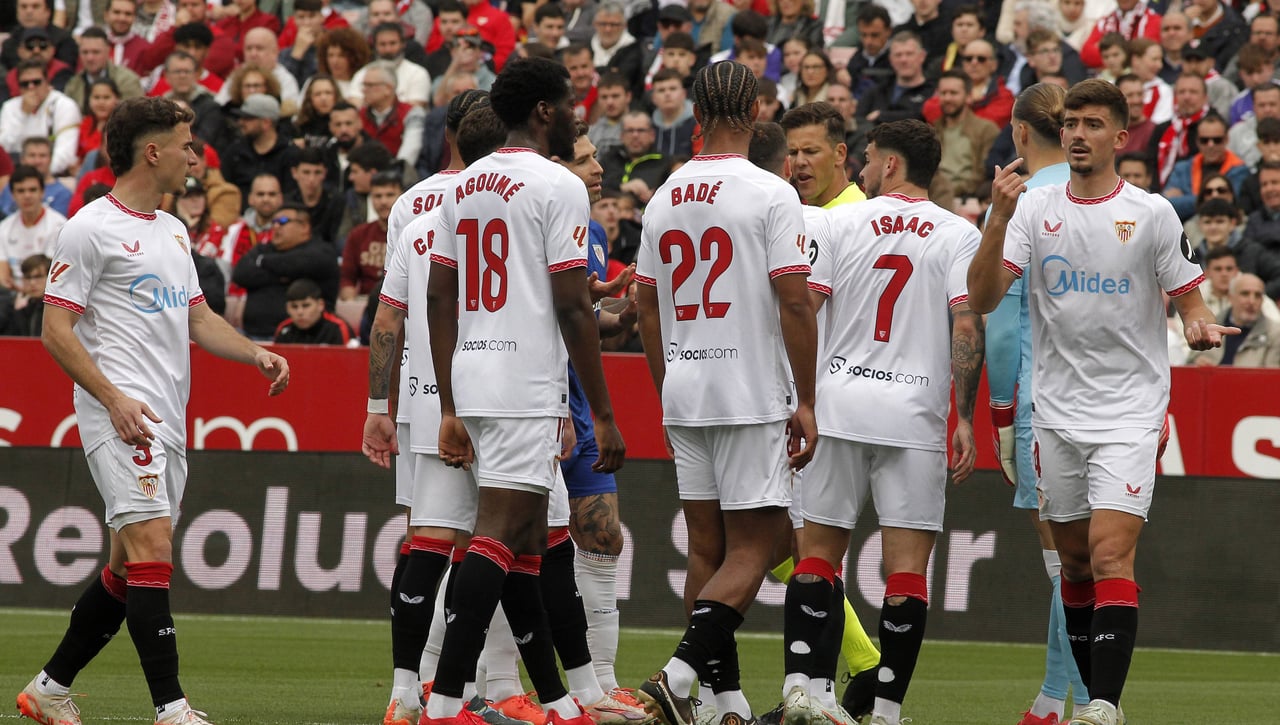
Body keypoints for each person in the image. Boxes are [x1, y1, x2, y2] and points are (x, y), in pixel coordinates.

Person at [16, 95, 289, 725]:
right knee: (152, 548)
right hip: (120, 414)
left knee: (125, 565)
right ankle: (171, 709)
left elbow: (196, 317)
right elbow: (56, 330)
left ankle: (50, 688)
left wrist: (255, 353)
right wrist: (111, 399)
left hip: (168, 415)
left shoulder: (172, 229)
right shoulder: (88, 228)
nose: (196, 156)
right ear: (153, 150)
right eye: (187, 143)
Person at [969, 79, 1234, 725]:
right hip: (1055, 412)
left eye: (1092, 124)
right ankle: (1095, 705)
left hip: (1130, 411)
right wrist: (997, 217)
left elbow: (1190, 298)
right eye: (1071, 124)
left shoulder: (1151, 213)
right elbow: (980, 299)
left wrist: (1197, 325)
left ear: (1120, 138)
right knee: (1077, 564)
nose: (1078, 134)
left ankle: (1104, 705)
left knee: (1111, 551)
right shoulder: (1032, 209)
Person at [421, 56, 623, 725]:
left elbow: (440, 295)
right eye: (569, 104)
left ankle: (564, 699)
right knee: (500, 535)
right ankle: (446, 700)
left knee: (534, 540)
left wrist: (449, 401)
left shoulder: (463, 182)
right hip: (523, 380)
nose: (576, 114)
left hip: (476, 375)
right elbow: (571, 308)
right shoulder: (558, 186)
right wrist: (602, 410)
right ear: (543, 111)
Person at [777, 118, 982, 725]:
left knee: (816, 552)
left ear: (890, 164)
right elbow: (967, 326)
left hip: (839, 403)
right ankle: (887, 711)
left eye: (868, 160)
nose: (862, 170)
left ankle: (805, 690)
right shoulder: (958, 234)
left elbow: (804, 310)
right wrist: (964, 416)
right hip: (915, 414)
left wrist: (802, 396)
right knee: (906, 570)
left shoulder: (837, 223)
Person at [634, 61, 817, 725]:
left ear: (698, 113)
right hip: (747, 385)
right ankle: (679, 676)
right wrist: (808, 397)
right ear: (757, 112)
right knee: (759, 544)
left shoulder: (663, 195)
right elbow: (795, 302)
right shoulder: (771, 193)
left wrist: (666, 385)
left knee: (706, 548)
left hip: (684, 383)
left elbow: (645, 306)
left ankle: (724, 702)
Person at [363, 90, 503, 725]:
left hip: (423, 395)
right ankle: (477, 690)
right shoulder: (509, 203)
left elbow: (390, 313)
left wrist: (378, 403)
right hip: (496, 388)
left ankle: (411, 689)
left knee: (429, 539)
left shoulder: (412, 210)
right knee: (500, 543)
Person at [981, 82, 1090, 725]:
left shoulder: (1018, 205)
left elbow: (995, 319)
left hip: (1035, 396)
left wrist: (998, 413)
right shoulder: (1096, 198)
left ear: (1021, 133)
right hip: (1101, 394)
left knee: (1062, 562)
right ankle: (1057, 701)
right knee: (1082, 558)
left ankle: (1076, 701)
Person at [232, 201, 340, 339]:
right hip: (252, 335)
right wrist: (283, 274)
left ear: (304, 227)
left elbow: (304, 263)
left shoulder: (321, 252)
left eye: (283, 221)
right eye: (274, 222)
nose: (276, 226)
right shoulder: (262, 248)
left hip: (308, 338)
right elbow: (240, 274)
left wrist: (263, 262)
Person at [0, 59, 82, 176]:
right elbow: (4, 148)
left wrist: (37, 176)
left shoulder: (64, 105)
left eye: (36, 82)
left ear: (47, 81)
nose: (31, 87)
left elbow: (65, 155)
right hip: (16, 174)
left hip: (54, 174)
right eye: (25, 84)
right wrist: (23, 114)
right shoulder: (9, 107)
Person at [1187, 273, 1280, 366]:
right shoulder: (1211, 326)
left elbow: (1272, 375)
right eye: (1245, 294)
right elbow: (1188, 364)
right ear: (1230, 297)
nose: (1252, 301)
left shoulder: (1275, 333)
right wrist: (1197, 364)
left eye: (1258, 295)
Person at [0, 165, 67, 291]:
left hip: (46, 294)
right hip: (12, 296)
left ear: (42, 192)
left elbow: (52, 276)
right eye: (20, 191)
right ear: (13, 195)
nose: (27, 196)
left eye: (32, 190)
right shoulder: (4, 227)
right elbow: (2, 277)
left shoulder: (59, 225)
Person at [340, 170, 398, 300]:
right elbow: (347, 278)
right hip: (365, 304)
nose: (383, 201)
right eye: (377, 196)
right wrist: (351, 304)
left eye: (390, 195)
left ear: (402, 196)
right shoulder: (358, 235)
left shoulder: (412, 233)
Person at [273, 278, 357, 345]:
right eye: (294, 306)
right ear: (287, 308)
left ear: (320, 305)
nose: (300, 312)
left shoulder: (338, 328)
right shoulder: (283, 329)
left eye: (306, 305)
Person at [3, 252, 49, 336]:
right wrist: (17, 312)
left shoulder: (56, 309)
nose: (32, 283)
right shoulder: (14, 307)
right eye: (28, 277)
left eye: (38, 277)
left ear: (50, 277)